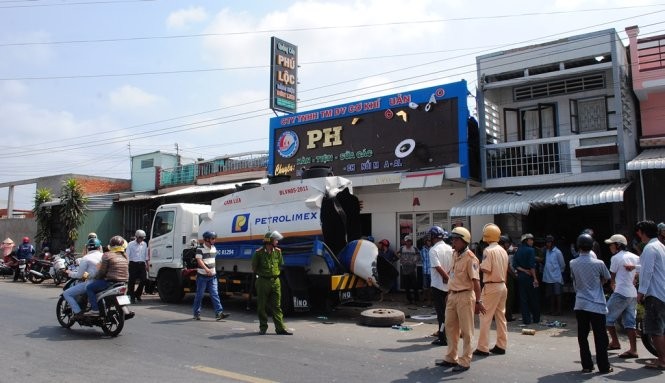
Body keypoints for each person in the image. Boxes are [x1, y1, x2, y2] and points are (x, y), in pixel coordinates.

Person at [436, 227, 482, 372]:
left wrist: (478, 302)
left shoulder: (471, 258)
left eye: (456, 239)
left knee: (467, 331)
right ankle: (451, 357)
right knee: (450, 327)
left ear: (464, 241)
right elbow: (453, 275)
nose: (453, 242)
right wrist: (449, 293)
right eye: (453, 239)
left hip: (465, 296)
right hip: (453, 295)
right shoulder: (455, 254)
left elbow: (476, 282)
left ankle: (465, 360)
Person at [569, 233, 612, 374]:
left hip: (580, 304)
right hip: (597, 304)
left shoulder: (573, 263)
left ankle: (587, 365)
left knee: (583, 336)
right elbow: (607, 278)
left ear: (578, 246)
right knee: (600, 337)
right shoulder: (599, 263)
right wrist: (598, 282)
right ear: (592, 246)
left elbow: (574, 279)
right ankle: (604, 366)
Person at [603, 233, 640, 358]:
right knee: (630, 323)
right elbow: (639, 272)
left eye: (611, 245)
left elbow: (611, 276)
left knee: (606, 317)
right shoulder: (635, 257)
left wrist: (612, 284)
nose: (610, 247)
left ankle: (614, 342)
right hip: (632, 293)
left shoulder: (616, 258)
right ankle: (633, 349)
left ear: (618, 245)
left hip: (621, 292)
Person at [474, 223, 509, 356]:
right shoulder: (503, 251)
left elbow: (486, 268)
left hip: (491, 285)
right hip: (502, 285)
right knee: (501, 317)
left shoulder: (488, 251)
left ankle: (482, 347)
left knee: (485, 317)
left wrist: (478, 264)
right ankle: (501, 345)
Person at [635, 220, 665, 370]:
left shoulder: (649, 248)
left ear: (643, 232)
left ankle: (662, 360)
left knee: (654, 329)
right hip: (662, 292)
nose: (637, 234)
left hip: (655, 294)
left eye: (638, 231)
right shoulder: (660, 246)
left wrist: (641, 293)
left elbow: (647, 273)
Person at [252, 231, 291, 335]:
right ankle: (263, 327)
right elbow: (254, 268)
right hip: (263, 282)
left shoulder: (278, 252)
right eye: (275, 240)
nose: (277, 242)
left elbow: (280, 265)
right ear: (269, 241)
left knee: (277, 306)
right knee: (262, 306)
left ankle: (280, 328)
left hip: (275, 281)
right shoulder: (258, 253)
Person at [85, 236, 130, 316]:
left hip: (110, 282)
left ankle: (95, 309)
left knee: (89, 288)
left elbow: (102, 272)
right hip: (123, 282)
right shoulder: (125, 256)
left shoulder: (107, 255)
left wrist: (96, 278)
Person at [192, 231, 229, 321]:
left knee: (215, 294)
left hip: (212, 277)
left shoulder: (214, 248)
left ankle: (219, 313)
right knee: (199, 295)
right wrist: (206, 269)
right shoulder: (200, 249)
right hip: (202, 277)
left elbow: (213, 259)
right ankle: (196, 313)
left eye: (214, 238)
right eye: (212, 238)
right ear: (207, 239)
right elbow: (199, 261)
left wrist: (212, 270)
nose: (214, 240)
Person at [63, 238, 103, 317]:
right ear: (99, 247)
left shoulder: (86, 258)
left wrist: (69, 273)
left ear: (88, 248)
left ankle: (78, 312)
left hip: (91, 282)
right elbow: (92, 271)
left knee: (66, 293)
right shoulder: (104, 256)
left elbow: (80, 275)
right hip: (103, 281)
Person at [428, 226, 453, 347]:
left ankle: (443, 338)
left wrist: (445, 277)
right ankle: (448, 334)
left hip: (438, 286)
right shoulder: (450, 248)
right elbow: (453, 266)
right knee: (448, 313)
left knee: (441, 314)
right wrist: (448, 277)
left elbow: (437, 267)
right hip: (449, 286)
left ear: (433, 237)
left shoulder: (433, 250)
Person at [513, 233, 540, 325]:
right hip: (530, 277)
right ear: (526, 241)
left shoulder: (518, 250)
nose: (532, 241)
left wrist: (523, 270)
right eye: (531, 240)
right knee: (533, 298)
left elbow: (515, 265)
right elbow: (532, 266)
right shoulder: (531, 250)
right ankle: (536, 318)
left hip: (521, 277)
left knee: (523, 299)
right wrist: (535, 278)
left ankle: (526, 320)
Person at [542, 235, 565, 316]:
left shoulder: (558, 252)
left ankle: (559, 310)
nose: (547, 244)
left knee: (558, 294)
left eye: (549, 243)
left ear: (552, 243)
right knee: (550, 294)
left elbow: (562, 265)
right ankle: (551, 310)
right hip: (548, 277)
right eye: (547, 243)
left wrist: (558, 273)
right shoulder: (547, 251)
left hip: (556, 277)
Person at [127, 229, 148, 303]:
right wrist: (127, 263)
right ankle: (131, 296)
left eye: (143, 238)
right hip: (133, 264)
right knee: (132, 281)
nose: (141, 239)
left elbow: (145, 255)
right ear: (136, 237)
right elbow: (127, 255)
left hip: (141, 264)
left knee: (144, 280)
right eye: (140, 237)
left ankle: (137, 294)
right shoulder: (130, 244)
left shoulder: (144, 244)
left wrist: (147, 264)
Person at [398, 235, 420, 304]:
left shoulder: (415, 248)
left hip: (413, 270)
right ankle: (409, 300)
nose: (408, 242)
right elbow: (396, 253)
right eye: (407, 241)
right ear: (405, 241)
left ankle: (416, 300)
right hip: (405, 270)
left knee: (415, 286)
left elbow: (419, 256)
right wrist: (400, 258)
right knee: (406, 286)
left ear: (411, 241)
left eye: (409, 241)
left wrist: (415, 260)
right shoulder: (402, 248)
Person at [500, 235, 517, 322]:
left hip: (499, 278)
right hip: (507, 277)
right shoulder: (503, 252)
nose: (508, 245)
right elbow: (507, 267)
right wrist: (514, 275)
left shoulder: (495, 251)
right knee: (509, 297)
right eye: (507, 243)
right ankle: (508, 315)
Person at [420, 236, 432, 307]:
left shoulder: (433, 249)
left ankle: (431, 302)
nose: (429, 242)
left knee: (432, 287)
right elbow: (421, 260)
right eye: (428, 241)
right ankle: (426, 301)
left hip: (432, 272)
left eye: (430, 241)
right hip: (425, 271)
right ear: (425, 241)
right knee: (425, 287)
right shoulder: (422, 250)